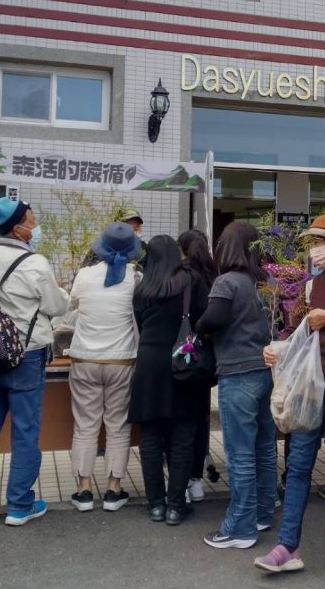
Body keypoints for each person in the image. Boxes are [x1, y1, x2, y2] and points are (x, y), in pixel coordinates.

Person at [254, 215, 325, 573]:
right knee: (299, 463)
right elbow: (298, 332)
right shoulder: (310, 286)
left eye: (319, 243)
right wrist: (278, 349)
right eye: (312, 244)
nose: (314, 250)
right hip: (310, 387)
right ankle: (288, 545)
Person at [0, 197, 69, 526]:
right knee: (25, 431)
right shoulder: (35, 263)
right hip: (27, 355)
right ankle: (19, 505)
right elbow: (57, 307)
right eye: (32, 222)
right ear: (18, 229)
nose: (35, 228)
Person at [197, 221, 276, 549]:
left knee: (240, 453)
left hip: (237, 373)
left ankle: (240, 528)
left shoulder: (227, 282)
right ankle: (263, 513)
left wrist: (198, 328)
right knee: (265, 448)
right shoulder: (267, 282)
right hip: (267, 371)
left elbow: (212, 320)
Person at [128, 235, 210, 525]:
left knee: (150, 437)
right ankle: (176, 506)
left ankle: (156, 505)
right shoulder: (191, 281)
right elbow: (204, 319)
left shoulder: (142, 289)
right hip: (183, 362)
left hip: (148, 365)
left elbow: (141, 325)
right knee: (182, 437)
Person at [66, 222, 141, 513]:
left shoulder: (84, 276)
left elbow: (73, 304)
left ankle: (84, 491)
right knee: (118, 426)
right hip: (121, 360)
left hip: (84, 359)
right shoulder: (135, 278)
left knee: (85, 426)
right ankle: (113, 490)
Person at [178, 228, 217, 503]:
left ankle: (181, 483)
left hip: (182, 353)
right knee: (201, 417)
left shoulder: (181, 275)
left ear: (182, 250)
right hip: (206, 356)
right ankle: (196, 480)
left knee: (181, 421)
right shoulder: (213, 276)